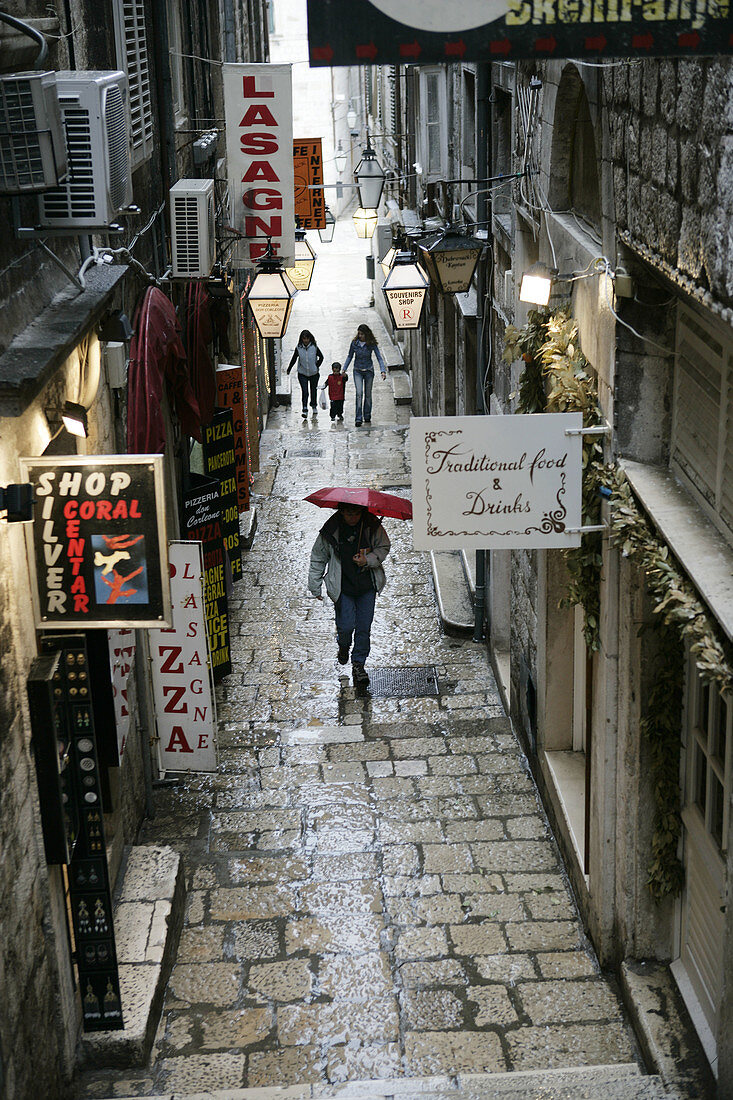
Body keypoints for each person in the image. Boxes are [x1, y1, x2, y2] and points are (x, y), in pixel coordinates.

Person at [308, 502, 390, 685]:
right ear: (341, 512)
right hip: (343, 587)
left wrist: (367, 560)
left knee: (363, 627)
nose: (352, 518)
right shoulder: (331, 530)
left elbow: (383, 547)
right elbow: (318, 556)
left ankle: (359, 664)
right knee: (345, 626)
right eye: (348, 514)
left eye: (356, 514)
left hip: (367, 587)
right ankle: (343, 645)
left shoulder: (372, 525)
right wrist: (315, 585)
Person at [342, 324, 387, 426]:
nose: (360, 336)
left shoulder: (371, 343)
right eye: (359, 333)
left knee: (368, 395)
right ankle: (358, 418)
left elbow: (379, 357)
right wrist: (344, 369)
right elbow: (350, 356)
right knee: (359, 393)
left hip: (368, 371)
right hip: (357, 370)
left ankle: (367, 415)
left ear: (366, 334)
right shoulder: (354, 343)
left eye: (362, 334)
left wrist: (382, 371)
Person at [287, 329, 324, 419]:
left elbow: (321, 357)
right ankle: (304, 408)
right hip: (302, 373)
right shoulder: (299, 348)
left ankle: (314, 405)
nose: (306, 341)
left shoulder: (314, 347)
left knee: (313, 390)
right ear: (301, 339)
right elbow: (294, 358)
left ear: (310, 339)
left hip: (314, 373)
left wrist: (316, 366)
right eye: (304, 339)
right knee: (305, 391)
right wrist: (289, 368)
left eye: (307, 339)